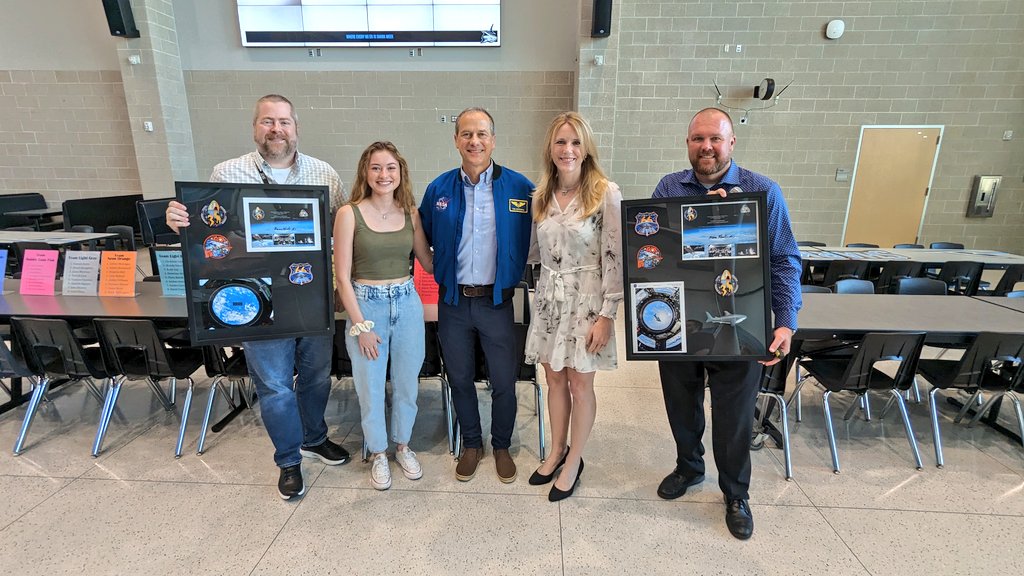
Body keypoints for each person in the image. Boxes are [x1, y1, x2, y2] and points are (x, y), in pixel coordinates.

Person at [165, 94, 350, 500]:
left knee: (317, 376)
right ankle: (288, 460)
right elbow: (208, 229)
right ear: (255, 128)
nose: (276, 130)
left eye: (284, 122)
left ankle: (314, 438)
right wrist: (179, 220)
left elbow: (341, 233)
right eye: (268, 122)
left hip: (311, 294)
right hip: (254, 296)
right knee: (276, 386)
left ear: (296, 127)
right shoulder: (227, 171)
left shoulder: (324, 174)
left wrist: (341, 286)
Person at [652, 107, 801, 539]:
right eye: (698, 138)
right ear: (688, 144)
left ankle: (736, 493)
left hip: (744, 322)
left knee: (734, 415)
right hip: (683, 321)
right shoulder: (668, 187)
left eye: (715, 139)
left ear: (731, 143)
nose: (706, 147)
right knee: (681, 403)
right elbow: (654, 254)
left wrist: (785, 322)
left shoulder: (762, 192)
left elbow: (784, 260)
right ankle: (689, 466)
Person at [418, 107, 534, 483]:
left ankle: (501, 444)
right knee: (461, 378)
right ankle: (472, 442)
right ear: (456, 140)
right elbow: (420, 236)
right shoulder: (438, 189)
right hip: (453, 304)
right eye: (466, 134)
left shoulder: (519, 188)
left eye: (481, 134)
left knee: (503, 381)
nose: (474, 141)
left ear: (493, 140)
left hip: (497, 302)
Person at [524, 112, 622, 502]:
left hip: (588, 301)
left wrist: (607, 315)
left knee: (581, 384)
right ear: (550, 149)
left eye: (575, 142)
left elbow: (614, 256)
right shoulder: (542, 195)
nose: (568, 150)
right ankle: (556, 451)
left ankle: (574, 460)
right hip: (550, 299)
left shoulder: (604, 192)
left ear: (586, 149)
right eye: (561, 142)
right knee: (554, 380)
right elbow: (536, 252)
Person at [333, 141, 433, 491]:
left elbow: (428, 261)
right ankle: (377, 452)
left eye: (391, 167)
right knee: (371, 388)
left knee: (407, 383)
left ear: (400, 172)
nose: (384, 174)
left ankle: (403, 445)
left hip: (406, 303)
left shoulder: (411, 213)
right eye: (376, 167)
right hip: (366, 305)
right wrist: (360, 326)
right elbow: (342, 277)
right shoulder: (349, 214)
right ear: (365, 171)